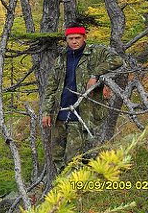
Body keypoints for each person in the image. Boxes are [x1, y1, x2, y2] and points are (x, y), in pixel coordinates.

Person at [42, 23, 123, 175]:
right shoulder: (62, 58)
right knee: (57, 156)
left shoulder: (96, 52)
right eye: (70, 38)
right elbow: (51, 86)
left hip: (80, 115)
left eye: (77, 38)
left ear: (84, 37)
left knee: (73, 159)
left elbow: (118, 60)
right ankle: (63, 187)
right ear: (66, 40)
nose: (74, 41)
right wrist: (46, 111)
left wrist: (95, 75)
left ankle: (73, 189)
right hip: (59, 114)